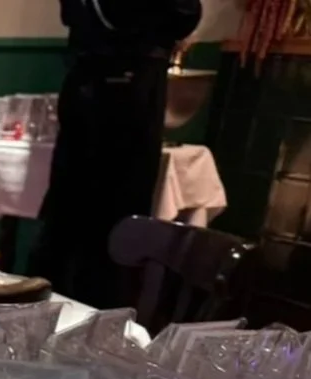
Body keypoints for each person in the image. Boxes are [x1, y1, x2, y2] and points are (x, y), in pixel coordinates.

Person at [28, 0, 201, 306]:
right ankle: (98, 307)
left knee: (71, 209)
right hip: (130, 81)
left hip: (91, 77)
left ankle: (56, 305)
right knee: (113, 210)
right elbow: (184, 15)